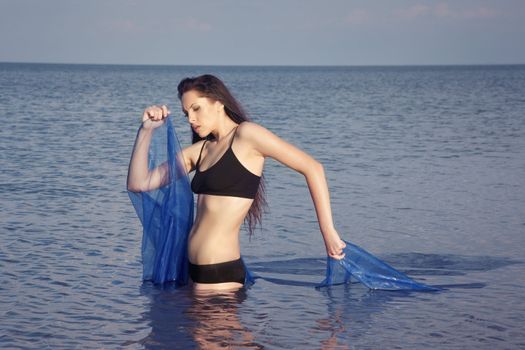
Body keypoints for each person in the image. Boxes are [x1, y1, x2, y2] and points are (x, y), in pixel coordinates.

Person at [128, 74, 346, 291]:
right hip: (194, 272)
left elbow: (313, 167)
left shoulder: (247, 135)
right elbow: (139, 183)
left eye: (196, 109)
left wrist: (328, 232)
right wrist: (145, 131)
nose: (191, 119)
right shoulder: (201, 150)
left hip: (220, 274)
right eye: (186, 114)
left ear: (218, 102)